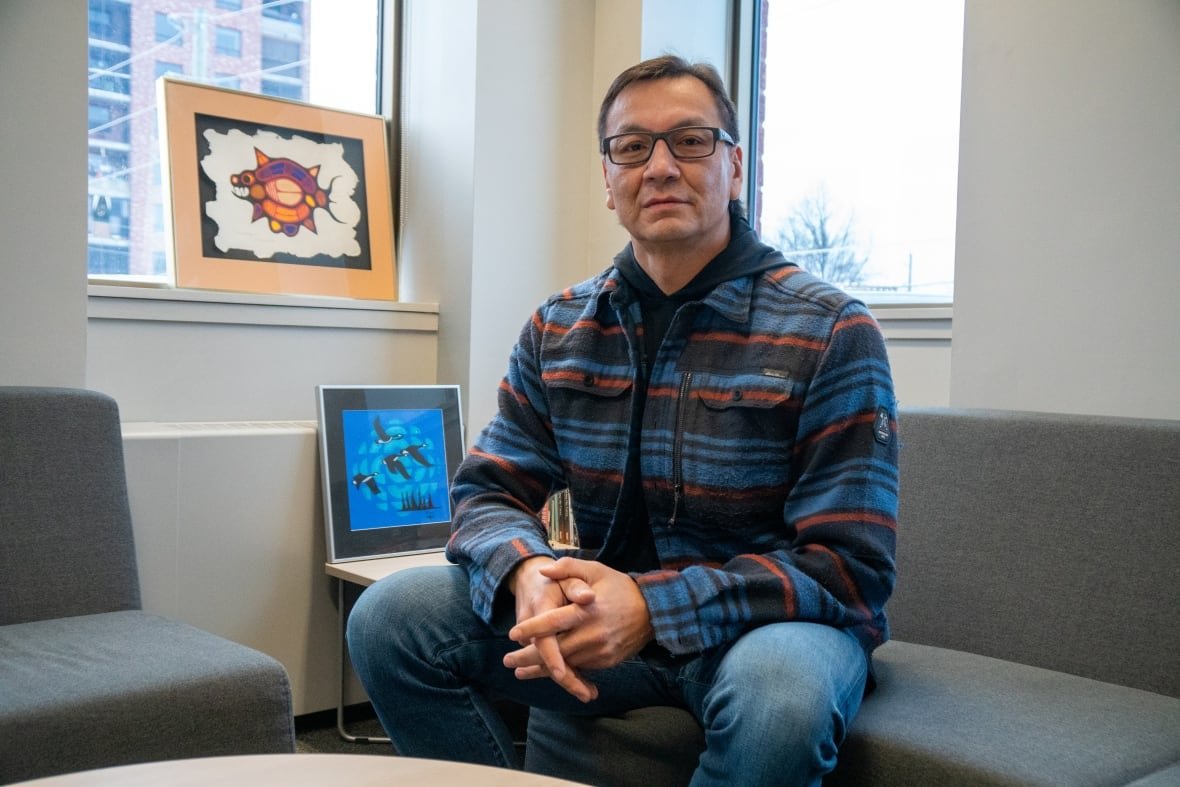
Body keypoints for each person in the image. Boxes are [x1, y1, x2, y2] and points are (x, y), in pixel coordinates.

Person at [347, 54, 899, 786]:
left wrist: (650, 603)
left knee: (780, 706)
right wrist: (527, 569)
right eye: (633, 147)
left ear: (734, 166)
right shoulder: (559, 325)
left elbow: (849, 568)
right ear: (609, 181)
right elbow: (487, 491)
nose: (661, 166)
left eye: (691, 141)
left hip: (761, 631)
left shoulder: (831, 329)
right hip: (595, 622)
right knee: (390, 619)